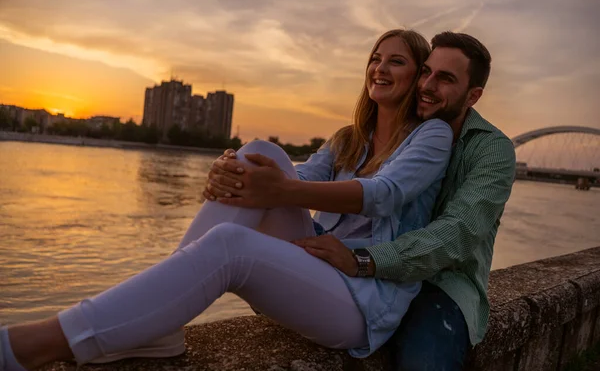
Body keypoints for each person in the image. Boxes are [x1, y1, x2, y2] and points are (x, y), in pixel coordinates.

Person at [0, 29, 456, 371]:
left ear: (417, 76)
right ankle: (161, 326)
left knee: (230, 246)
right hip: (320, 264)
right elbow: (293, 177)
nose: (380, 68)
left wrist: (282, 190)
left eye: (396, 61)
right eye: (376, 58)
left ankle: (42, 341)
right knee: (259, 153)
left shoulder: (430, 136)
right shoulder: (347, 139)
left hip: (362, 302)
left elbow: (383, 195)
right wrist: (234, 171)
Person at [210, 32, 517, 371]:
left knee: (425, 358)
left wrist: (363, 260)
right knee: (258, 154)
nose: (427, 85)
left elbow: (454, 237)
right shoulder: (364, 136)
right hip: (367, 266)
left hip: (440, 282)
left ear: (473, 96)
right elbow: (305, 177)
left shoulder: (492, 150)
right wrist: (239, 174)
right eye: (426, 72)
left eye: (445, 79)